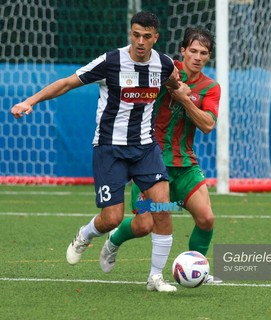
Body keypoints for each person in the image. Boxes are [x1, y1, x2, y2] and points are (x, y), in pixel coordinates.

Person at [10, 11, 181, 292]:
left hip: (145, 148)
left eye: (146, 36)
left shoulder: (162, 64)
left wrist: (179, 85)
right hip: (109, 148)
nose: (140, 41)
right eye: (135, 34)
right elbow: (66, 83)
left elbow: (173, 81)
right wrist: (31, 101)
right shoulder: (111, 61)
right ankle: (85, 235)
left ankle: (155, 277)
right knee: (112, 218)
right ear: (130, 33)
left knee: (161, 209)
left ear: (156, 38)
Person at [102, 27, 222, 285]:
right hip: (151, 162)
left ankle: (196, 268)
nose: (197, 57)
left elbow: (208, 125)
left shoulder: (211, 88)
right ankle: (114, 240)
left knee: (206, 218)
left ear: (208, 57)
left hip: (185, 165)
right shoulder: (163, 70)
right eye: (193, 51)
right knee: (144, 224)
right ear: (183, 51)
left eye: (203, 53)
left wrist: (184, 99)